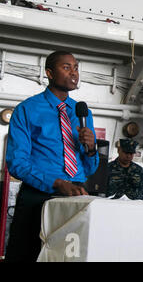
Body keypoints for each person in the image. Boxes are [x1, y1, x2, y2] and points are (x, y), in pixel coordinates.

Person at [5, 51, 99, 262]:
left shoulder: (82, 112)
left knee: (69, 256)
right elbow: (17, 163)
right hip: (38, 196)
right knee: (26, 254)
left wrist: (91, 149)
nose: (74, 73)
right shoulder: (26, 110)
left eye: (75, 67)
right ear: (49, 72)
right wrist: (57, 183)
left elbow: (90, 168)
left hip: (76, 195)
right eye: (66, 67)